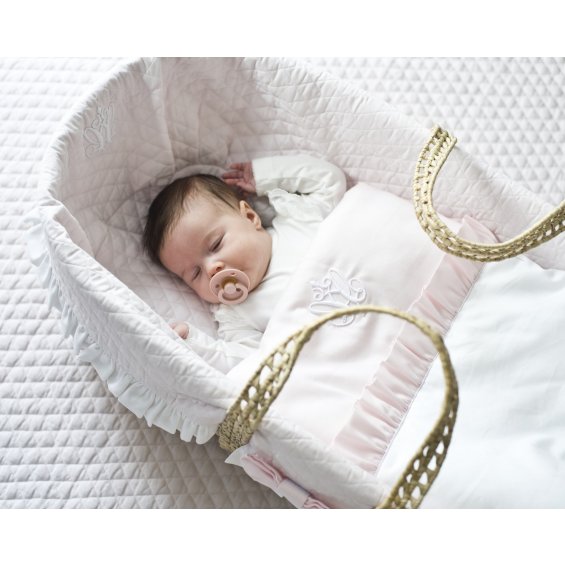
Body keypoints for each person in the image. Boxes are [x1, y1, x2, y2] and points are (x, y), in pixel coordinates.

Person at [143, 155, 347, 373]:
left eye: (216, 245)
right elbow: (249, 362)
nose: (211, 269)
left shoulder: (296, 220)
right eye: (195, 273)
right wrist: (193, 344)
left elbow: (330, 181)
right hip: (340, 354)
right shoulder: (236, 314)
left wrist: (264, 175)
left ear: (250, 217)